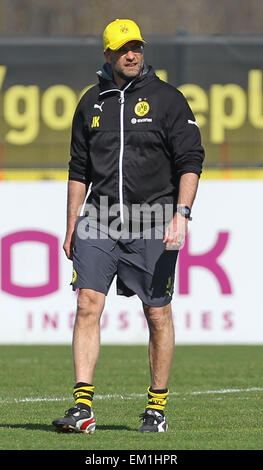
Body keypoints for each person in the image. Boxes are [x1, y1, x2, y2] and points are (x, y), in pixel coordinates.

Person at [52, 18, 205, 434]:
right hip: (98, 221)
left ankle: (155, 408)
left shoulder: (168, 100)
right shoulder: (90, 103)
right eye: (122, 49)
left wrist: (182, 214)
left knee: (157, 314)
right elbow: (78, 169)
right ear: (107, 55)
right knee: (86, 305)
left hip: (153, 222)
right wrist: (71, 225)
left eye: (136, 47)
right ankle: (83, 407)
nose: (131, 54)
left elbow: (191, 160)